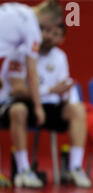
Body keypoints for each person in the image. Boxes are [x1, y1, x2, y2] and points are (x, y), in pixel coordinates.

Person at [0, 23, 91, 188]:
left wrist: (66, 92)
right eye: (46, 31)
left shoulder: (60, 56)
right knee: (18, 110)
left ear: (62, 38)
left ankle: (75, 168)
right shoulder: (20, 53)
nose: (50, 36)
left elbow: (61, 88)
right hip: (20, 104)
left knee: (77, 109)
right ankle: (23, 170)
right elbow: (18, 90)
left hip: (48, 106)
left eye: (56, 34)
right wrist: (50, 90)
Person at [0, 0, 63, 130]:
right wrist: (38, 107)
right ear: (47, 18)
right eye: (51, 26)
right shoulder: (33, 30)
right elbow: (31, 71)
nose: (49, 29)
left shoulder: (15, 7)